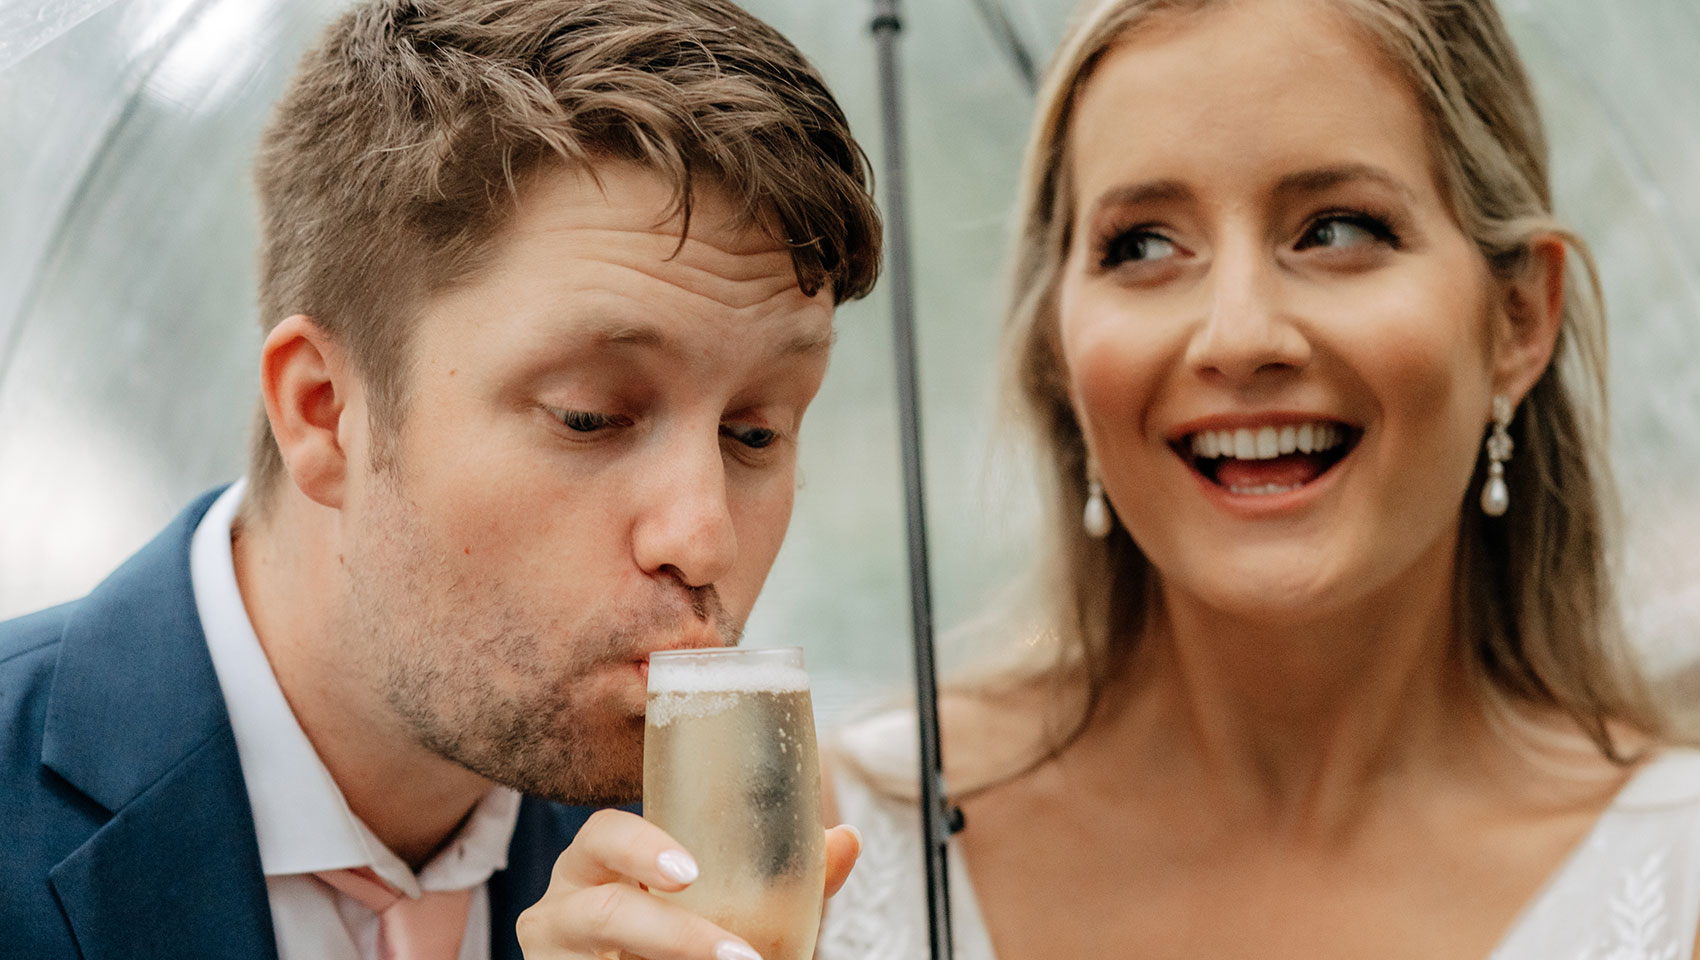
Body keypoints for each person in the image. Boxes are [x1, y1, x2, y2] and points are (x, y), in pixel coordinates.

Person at [817, 0, 1700, 957]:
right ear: (1057, 351)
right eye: (1144, 245)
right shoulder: (834, 854)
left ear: (1520, 317)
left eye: (1337, 230)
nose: (1239, 337)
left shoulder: (1679, 881)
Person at [0, 1, 879, 959]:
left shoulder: (714, 864)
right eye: (590, 415)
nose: (704, 538)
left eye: (754, 433)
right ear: (325, 412)